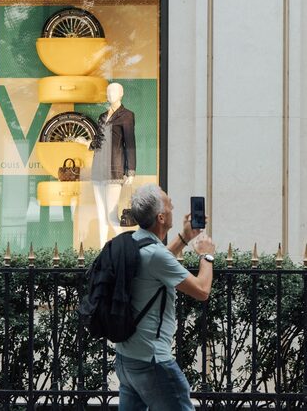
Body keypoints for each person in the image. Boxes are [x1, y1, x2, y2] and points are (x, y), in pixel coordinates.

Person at [114, 184, 215, 411]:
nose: (173, 206)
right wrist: (206, 255)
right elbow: (201, 290)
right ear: (161, 217)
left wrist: (185, 237)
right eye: (169, 203)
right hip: (152, 362)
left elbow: (158, 261)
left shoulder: (135, 241)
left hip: (126, 360)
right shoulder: (155, 254)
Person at [90, 82, 137, 248]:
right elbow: (99, 142)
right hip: (98, 168)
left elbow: (129, 143)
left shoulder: (126, 115)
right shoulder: (102, 116)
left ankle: (128, 249)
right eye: (108, 91)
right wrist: (86, 142)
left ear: (121, 93)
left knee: (111, 215)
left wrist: (130, 171)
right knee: (101, 215)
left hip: (114, 168)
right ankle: (102, 251)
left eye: (114, 91)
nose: (110, 94)